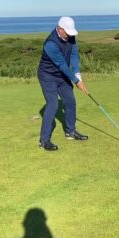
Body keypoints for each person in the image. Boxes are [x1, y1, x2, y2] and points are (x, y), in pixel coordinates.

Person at [37, 16, 88, 151]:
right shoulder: (50, 44)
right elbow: (62, 65)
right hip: (48, 77)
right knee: (53, 105)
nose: (70, 35)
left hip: (62, 76)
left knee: (70, 101)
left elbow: (74, 55)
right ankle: (44, 140)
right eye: (68, 31)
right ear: (60, 29)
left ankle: (70, 131)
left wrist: (77, 74)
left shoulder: (70, 36)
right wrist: (77, 82)